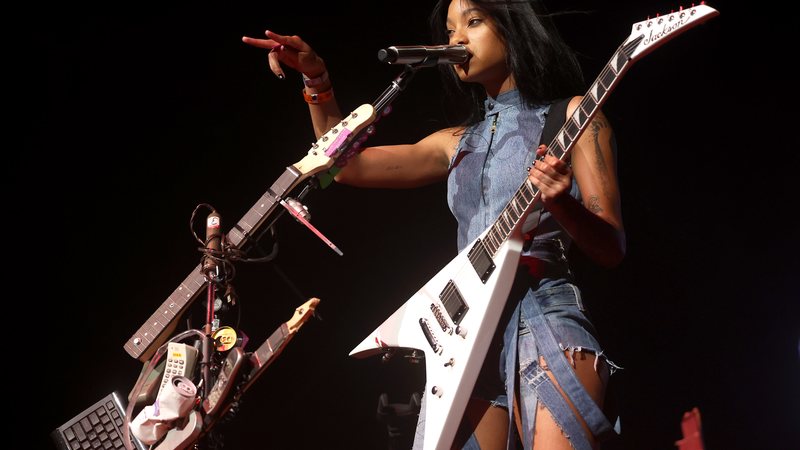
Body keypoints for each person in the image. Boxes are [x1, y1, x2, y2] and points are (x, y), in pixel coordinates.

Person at [243, 0, 625, 448]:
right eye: (449, 30)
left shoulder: (576, 117)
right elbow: (345, 167)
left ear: (512, 29)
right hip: (466, 339)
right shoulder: (455, 142)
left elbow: (610, 245)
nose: (456, 39)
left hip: (542, 311)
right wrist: (317, 79)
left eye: (473, 21)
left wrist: (565, 206)